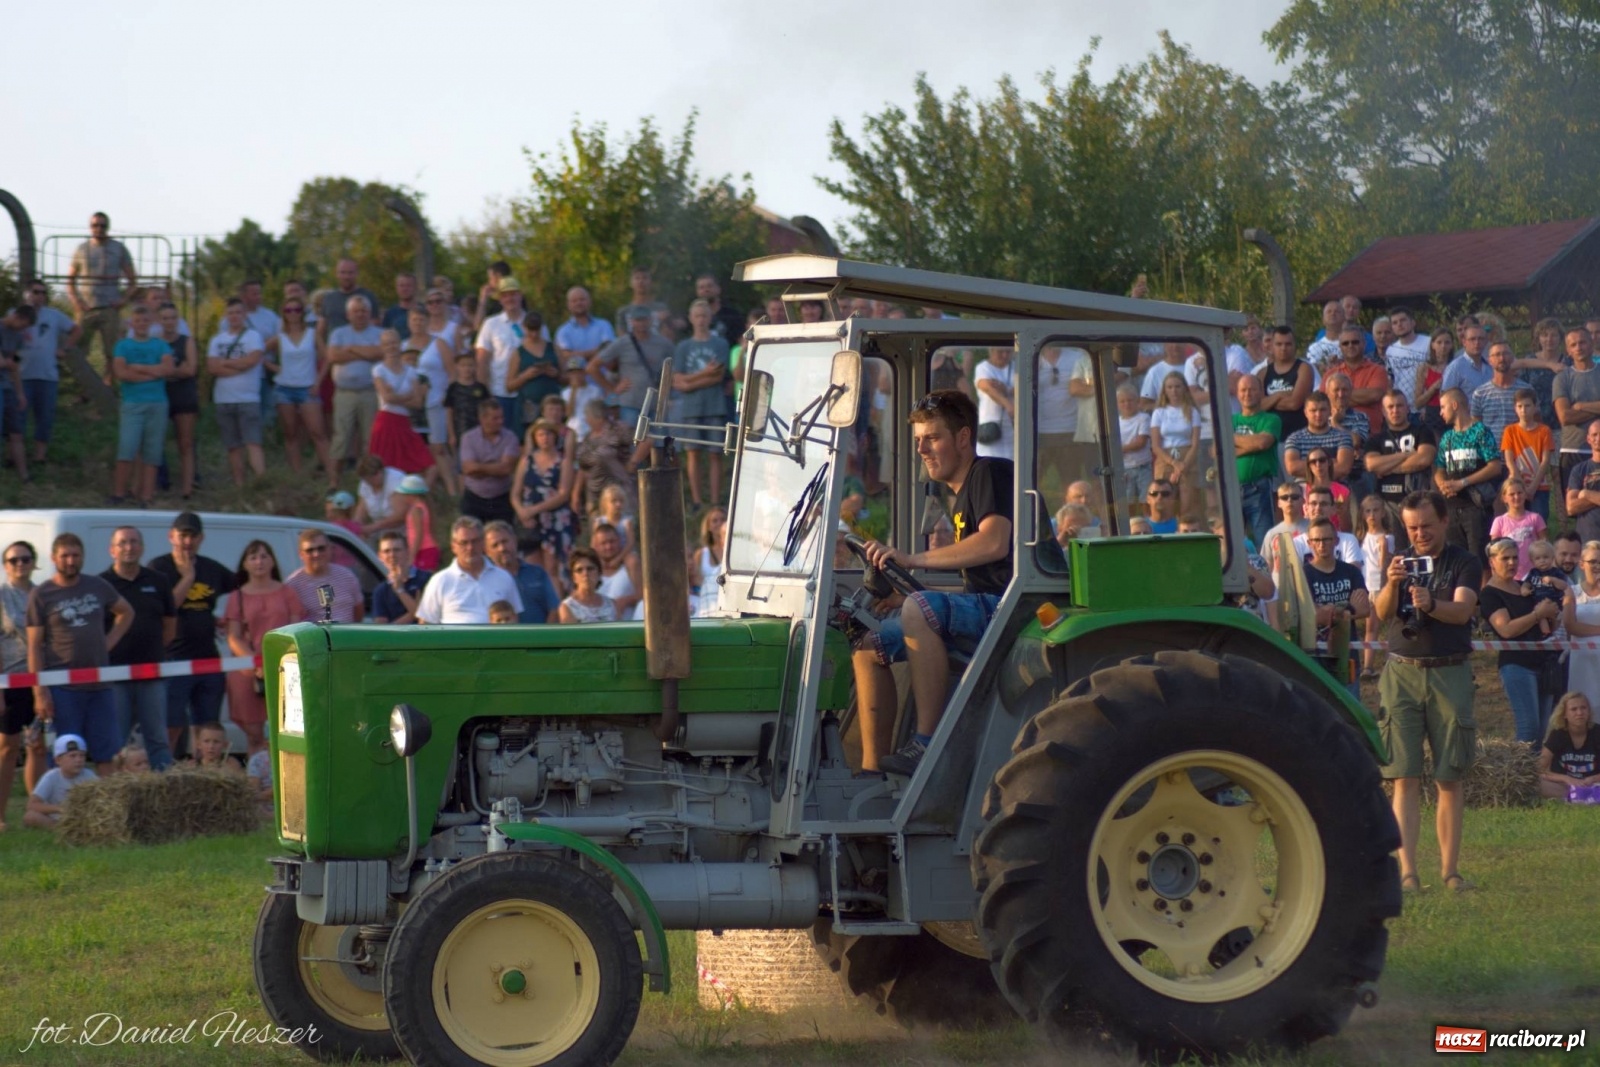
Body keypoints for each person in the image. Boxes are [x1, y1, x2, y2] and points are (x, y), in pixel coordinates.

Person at [852, 390, 1013, 776]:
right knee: (869, 644)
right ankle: (873, 769)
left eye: (933, 438)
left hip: (1013, 609)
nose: (923, 449)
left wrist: (910, 559)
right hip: (986, 604)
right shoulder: (957, 496)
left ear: (962, 438)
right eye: (918, 440)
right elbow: (977, 585)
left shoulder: (989, 473)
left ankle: (925, 745)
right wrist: (904, 593)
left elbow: (994, 543)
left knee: (919, 609)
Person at [1373, 490, 1481, 894]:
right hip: (1401, 672)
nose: (1419, 534)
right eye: (1412, 527)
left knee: (1450, 775)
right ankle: (1407, 873)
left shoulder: (1465, 561)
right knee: (1404, 777)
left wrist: (1429, 603)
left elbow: (1463, 610)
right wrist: (1390, 583)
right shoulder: (1398, 561)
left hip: (1449, 673)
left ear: (1445, 521)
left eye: (1426, 527)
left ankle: (1450, 872)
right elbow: (1383, 613)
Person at [27, 534, 135, 774]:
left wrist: (109, 641)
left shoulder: (97, 586)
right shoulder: (42, 594)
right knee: (66, 755)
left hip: (100, 685)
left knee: (108, 754)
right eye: (65, 556)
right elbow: (34, 645)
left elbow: (126, 612)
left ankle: (109, 809)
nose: (70, 561)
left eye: (75, 555)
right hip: (63, 686)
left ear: (82, 557)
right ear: (54, 558)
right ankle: (62, 809)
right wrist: (39, 691)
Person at [148, 513, 234, 758]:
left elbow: (244, 588)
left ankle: (201, 775)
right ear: (171, 536)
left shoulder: (211, 568)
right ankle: (166, 773)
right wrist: (188, 577)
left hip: (208, 658)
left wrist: (229, 619)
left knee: (207, 729)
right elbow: (167, 608)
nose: (187, 541)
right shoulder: (160, 567)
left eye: (193, 536)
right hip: (175, 658)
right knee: (172, 725)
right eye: (182, 535)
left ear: (201, 538)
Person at [100, 527, 175, 771]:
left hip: (152, 673)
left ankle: (164, 792)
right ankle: (116, 794)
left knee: (157, 739)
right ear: (112, 550)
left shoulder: (158, 581)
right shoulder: (101, 584)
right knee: (116, 740)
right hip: (115, 675)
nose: (128, 547)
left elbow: (170, 627)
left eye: (133, 542)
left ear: (142, 548)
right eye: (122, 543)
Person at [1480, 537, 1560, 748]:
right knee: (1529, 728)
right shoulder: (1490, 594)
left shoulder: (1524, 586)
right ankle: (1518, 776)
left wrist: (1550, 614)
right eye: (1505, 558)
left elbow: (1548, 624)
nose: (1511, 563)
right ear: (1492, 562)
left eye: (1515, 557)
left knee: (1543, 729)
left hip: (1544, 662)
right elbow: (1505, 629)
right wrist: (1537, 614)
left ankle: (1534, 777)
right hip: (1517, 665)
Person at [223, 541, 301, 755]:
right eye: (253, 557)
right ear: (245, 564)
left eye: (264, 556)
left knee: (285, 731)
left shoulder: (288, 593)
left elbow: (296, 630)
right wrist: (257, 664)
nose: (259, 561)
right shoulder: (236, 597)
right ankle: (257, 781)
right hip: (249, 673)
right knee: (254, 735)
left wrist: (276, 661)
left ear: (273, 561)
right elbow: (233, 637)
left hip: (284, 668)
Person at [0, 541, 47, 825]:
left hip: (41, 678)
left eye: (25, 559)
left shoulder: (42, 595)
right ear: (6, 566)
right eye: (13, 560)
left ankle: (35, 812)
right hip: (10, 679)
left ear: (33, 562)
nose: (20, 564)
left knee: (38, 746)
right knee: (8, 747)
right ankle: (1, 816)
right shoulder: (1, 596)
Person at [110, 304, 173, 506]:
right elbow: (121, 373)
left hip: (157, 403)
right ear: (132, 323)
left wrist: (139, 368)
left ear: (151, 323)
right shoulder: (123, 346)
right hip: (132, 403)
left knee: (152, 451)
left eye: (145, 321)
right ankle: (119, 493)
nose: (141, 324)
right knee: (127, 448)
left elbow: (168, 369)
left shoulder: (160, 345)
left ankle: (146, 496)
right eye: (137, 321)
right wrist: (152, 373)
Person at [270, 293, 334, 486]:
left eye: (297, 310)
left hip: (308, 388)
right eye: (288, 310)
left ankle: (333, 477)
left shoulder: (312, 334)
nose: (293, 313)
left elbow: (328, 359)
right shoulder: (280, 337)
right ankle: (297, 477)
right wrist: (275, 368)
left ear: (303, 312)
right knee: (291, 434)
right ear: (283, 313)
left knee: (318, 433)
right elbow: (258, 353)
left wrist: (318, 382)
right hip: (284, 389)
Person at [673, 300, 732, 508]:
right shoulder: (683, 347)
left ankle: (716, 501)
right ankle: (697, 501)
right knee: (693, 452)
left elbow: (718, 376)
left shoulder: (720, 344)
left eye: (704, 315)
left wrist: (691, 381)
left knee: (715, 453)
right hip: (691, 408)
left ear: (710, 318)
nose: (700, 320)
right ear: (690, 318)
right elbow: (677, 380)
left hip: (715, 404)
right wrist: (704, 373)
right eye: (697, 315)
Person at [67, 212, 138, 384]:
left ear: (108, 227)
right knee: (79, 350)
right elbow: (70, 280)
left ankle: (108, 389)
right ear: (90, 227)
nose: (98, 229)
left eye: (102, 225)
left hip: (110, 308)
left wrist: (122, 300)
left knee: (112, 352)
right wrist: (76, 301)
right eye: (95, 225)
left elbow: (132, 281)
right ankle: (83, 390)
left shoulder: (118, 248)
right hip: (86, 308)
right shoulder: (81, 249)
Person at [1302, 517, 1368, 698]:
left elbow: (1364, 610)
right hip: (1315, 657)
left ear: (1336, 541)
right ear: (1309, 543)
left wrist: (1328, 610)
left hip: (1347, 656)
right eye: (1316, 540)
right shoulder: (1303, 575)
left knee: (1350, 713)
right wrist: (1348, 608)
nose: (1321, 544)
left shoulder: (1351, 572)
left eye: (1327, 539)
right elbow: (1313, 616)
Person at [1434, 388, 1503, 560]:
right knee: (1455, 558)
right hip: (1452, 506)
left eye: (1443, 407)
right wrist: (1443, 484)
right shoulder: (1447, 437)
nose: (1441, 412)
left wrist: (1463, 482)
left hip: (1476, 505)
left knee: (1479, 559)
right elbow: (1439, 468)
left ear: (1455, 405)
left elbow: (1495, 466)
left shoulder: (1480, 431)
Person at [415, 517, 522, 624]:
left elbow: (514, 619)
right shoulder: (440, 581)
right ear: (453, 546)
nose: (470, 547)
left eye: (474, 541)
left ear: (483, 543)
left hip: (495, 640)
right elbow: (426, 624)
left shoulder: (503, 577)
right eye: (464, 543)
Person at [207, 297, 267, 486]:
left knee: (253, 443)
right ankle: (240, 485)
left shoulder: (253, 337)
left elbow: (251, 362)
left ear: (244, 315)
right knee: (233, 446)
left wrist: (224, 362)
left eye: (238, 313)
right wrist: (237, 366)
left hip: (248, 398)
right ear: (226, 315)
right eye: (231, 313)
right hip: (223, 398)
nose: (234, 316)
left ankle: (260, 483)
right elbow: (212, 368)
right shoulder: (217, 340)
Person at [18, 281, 78, 465]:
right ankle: (15, 455)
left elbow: (76, 329)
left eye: (43, 293)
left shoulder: (53, 315)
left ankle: (40, 456)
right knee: (16, 417)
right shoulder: (16, 313)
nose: (40, 296)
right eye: (36, 292)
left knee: (45, 416)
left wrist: (65, 349)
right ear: (26, 294)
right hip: (20, 375)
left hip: (47, 375)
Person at [513, 418, 577, 580]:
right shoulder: (526, 461)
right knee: (532, 567)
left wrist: (534, 510)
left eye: (548, 433)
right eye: (540, 434)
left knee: (552, 569)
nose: (544, 438)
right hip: (530, 520)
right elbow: (515, 492)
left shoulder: (564, 461)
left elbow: (563, 494)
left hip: (555, 519)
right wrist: (522, 512)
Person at [327, 294, 384, 471]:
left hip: (370, 392)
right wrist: (365, 352)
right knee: (341, 438)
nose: (360, 314)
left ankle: (369, 477)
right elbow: (333, 356)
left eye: (364, 311)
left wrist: (350, 348)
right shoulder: (338, 333)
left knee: (371, 438)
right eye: (356, 311)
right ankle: (334, 482)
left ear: (369, 313)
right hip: (345, 393)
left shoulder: (380, 333)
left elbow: (379, 353)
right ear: (348, 314)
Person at [150, 302, 200, 498]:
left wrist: (168, 371)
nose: (169, 322)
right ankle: (156, 485)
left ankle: (187, 488)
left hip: (184, 396)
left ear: (177, 320)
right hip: (160, 395)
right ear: (159, 321)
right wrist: (176, 370)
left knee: (185, 443)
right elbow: (154, 370)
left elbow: (192, 369)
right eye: (165, 318)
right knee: (155, 442)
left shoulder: (186, 341)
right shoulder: (155, 343)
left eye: (173, 318)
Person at [591, 306, 672, 427]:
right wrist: (612, 388)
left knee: (660, 443)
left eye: (644, 319)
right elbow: (592, 367)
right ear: (631, 322)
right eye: (638, 320)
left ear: (650, 320)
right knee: (631, 441)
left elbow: (675, 369)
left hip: (657, 404)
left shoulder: (663, 343)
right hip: (630, 403)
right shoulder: (622, 343)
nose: (641, 323)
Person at [407, 306, 458, 496]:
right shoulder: (404, 346)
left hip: (436, 401)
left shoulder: (439, 344)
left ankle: (452, 490)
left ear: (428, 322)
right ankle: (422, 488)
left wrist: (448, 397)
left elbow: (452, 372)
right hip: (412, 405)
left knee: (439, 447)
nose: (417, 324)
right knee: (417, 447)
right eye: (414, 320)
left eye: (421, 320)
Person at [369, 329, 433, 477]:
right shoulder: (379, 369)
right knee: (384, 468)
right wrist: (407, 395)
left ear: (400, 344)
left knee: (426, 465)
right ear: (382, 346)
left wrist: (396, 396)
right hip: (386, 421)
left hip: (404, 422)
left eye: (394, 343)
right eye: (387, 344)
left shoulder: (410, 370)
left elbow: (417, 402)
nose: (391, 347)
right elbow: (387, 398)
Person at [474, 277, 531, 439]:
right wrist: (484, 395)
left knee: (525, 439)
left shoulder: (533, 322)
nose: (510, 299)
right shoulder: (490, 324)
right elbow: (482, 360)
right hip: (498, 393)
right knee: (498, 439)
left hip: (526, 393)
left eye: (513, 294)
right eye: (505, 295)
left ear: (520, 295)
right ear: (500, 299)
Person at [1364, 390, 1437, 510]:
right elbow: (1371, 464)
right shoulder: (1376, 439)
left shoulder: (1423, 431)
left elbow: (1424, 459)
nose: (1395, 410)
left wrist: (1387, 468)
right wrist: (1405, 455)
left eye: (1399, 406)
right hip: (1387, 503)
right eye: (1390, 407)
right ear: (1383, 411)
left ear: (1407, 408)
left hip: (1418, 501)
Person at [459, 399, 521, 527]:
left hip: (502, 499)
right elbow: (468, 469)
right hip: (474, 498)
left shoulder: (510, 438)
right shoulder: (468, 438)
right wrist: (495, 466)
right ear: (482, 418)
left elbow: (506, 468)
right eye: (495, 418)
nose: (501, 421)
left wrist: (479, 467)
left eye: (501, 417)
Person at [1149, 371, 1203, 518]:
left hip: (1188, 457)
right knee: (1165, 501)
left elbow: (1195, 443)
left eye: (1178, 386)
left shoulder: (1192, 412)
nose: (1174, 391)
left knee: (1187, 503)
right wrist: (1174, 464)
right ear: (1165, 390)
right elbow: (1155, 445)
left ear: (1184, 388)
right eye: (1170, 387)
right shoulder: (1159, 413)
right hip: (1165, 458)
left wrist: (1182, 466)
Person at [1554, 326, 1600, 496]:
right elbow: (1565, 417)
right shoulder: (1562, 378)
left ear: (1591, 343)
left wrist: (1581, 406)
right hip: (1573, 450)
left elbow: (1573, 412)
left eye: (1582, 342)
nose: (1578, 347)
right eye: (1573, 344)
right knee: (1575, 505)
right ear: (1568, 350)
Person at [485, 520, 559, 624]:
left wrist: (543, 637)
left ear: (515, 541)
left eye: (505, 541)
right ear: (487, 552)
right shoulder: (485, 580)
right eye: (495, 545)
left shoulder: (537, 573)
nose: (502, 548)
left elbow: (554, 609)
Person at [284, 529, 364, 623]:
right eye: (310, 550)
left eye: (321, 548)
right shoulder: (293, 585)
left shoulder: (347, 576)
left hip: (347, 635)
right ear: (301, 554)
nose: (316, 554)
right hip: (316, 637)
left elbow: (358, 611)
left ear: (330, 549)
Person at [1357, 496, 1396, 680]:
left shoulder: (1388, 537)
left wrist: (1384, 547)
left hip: (1381, 586)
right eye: (1368, 511)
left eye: (1375, 510)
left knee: (1389, 626)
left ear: (1382, 512)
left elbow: (1385, 564)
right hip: (1367, 586)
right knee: (1370, 627)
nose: (1372, 515)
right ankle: (1367, 666)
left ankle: (1390, 663)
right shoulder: (1361, 538)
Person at [22, 734, 98, 829]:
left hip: (83, 817)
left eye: (82, 755)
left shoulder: (88, 775)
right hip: (57, 818)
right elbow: (32, 805)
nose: (78, 760)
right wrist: (59, 808)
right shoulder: (51, 777)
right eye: (72, 756)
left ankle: (77, 829)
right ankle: (60, 828)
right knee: (30, 816)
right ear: (58, 760)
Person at [1501, 388, 1555, 521]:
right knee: (1516, 521)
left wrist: (1532, 487)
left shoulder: (1544, 431)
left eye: (1527, 406)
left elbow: (1545, 460)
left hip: (1539, 485)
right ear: (1515, 408)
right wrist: (1522, 486)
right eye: (1520, 406)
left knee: (1538, 522)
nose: (1523, 410)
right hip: (1517, 487)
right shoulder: (1510, 431)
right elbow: (1509, 460)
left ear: (1535, 407)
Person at [1561, 542, 1600, 711]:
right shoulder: (1572, 592)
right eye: (1593, 561)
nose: (1597, 566)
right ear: (1582, 564)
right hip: (1582, 664)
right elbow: (1570, 626)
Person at [1283, 391, 1355, 484]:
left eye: (1322, 410)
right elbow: (1292, 468)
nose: (1318, 414)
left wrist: (1306, 464)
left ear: (1330, 411)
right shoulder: (1295, 439)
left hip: (1336, 490)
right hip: (1303, 491)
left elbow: (1343, 468)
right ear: (1305, 413)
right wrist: (1331, 463)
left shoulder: (1343, 437)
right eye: (1313, 410)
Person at [1538, 692, 1599, 799]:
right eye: (1573, 709)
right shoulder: (1557, 735)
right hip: (1564, 786)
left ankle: (1581, 797)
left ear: (1589, 711)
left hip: (1594, 784)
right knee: (1536, 783)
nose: (1579, 713)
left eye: (1583, 708)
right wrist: (1566, 778)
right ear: (1564, 714)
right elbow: (1539, 769)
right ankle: (1578, 798)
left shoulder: (1597, 732)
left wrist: (1593, 779)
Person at [1257, 326, 1314, 440]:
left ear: (1294, 346)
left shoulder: (1304, 369)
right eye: (1279, 344)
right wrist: (1280, 395)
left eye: (1288, 344)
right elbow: (1259, 406)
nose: (1283, 348)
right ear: (1272, 346)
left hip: (1298, 437)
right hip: (1269, 437)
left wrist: (1269, 401)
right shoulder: (1262, 373)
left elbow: (1294, 404)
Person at [558, 286, 618, 390]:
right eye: (574, 301)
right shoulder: (563, 331)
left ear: (589, 301)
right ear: (568, 305)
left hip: (605, 387)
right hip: (578, 391)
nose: (578, 303)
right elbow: (566, 356)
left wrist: (577, 355)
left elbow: (609, 351)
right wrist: (597, 352)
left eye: (582, 299)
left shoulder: (604, 325)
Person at [513, 309, 563, 432]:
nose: (534, 334)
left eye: (537, 330)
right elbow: (509, 385)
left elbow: (567, 377)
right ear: (524, 328)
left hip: (552, 404)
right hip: (529, 405)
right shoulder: (518, 352)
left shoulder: (553, 348)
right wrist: (525, 376)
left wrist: (556, 374)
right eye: (530, 330)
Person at [1488, 477, 1546, 579]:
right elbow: (1494, 552)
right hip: (1510, 575)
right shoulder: (1499, 521)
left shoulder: (1535, 518)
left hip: (1533, 574)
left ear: (1525, 494)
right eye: (1512, 494)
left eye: (1520, 493)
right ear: (1504, 498)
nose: (1516, 497)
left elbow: (1544, 546)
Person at [372, 530, 431, 625]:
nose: (392, 555)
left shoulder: (426, 579)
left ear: (407, 552)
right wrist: (413, 612)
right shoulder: (380, 591)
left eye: (397, 550)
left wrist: (400, 590)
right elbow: (382, 630)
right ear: (380, 556)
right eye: (387, 551)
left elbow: (426, 617)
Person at [315, 258, 381, 343]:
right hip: (334, 350)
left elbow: (375, 328)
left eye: (350, 273)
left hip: (362, 350)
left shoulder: (368, 297)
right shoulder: (329, 298)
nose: (346, 277)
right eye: (343, 272)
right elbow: (321, 330)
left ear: (357, 274)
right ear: (337, 274)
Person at [1383, 306, 1431, 411]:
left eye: (1403, 320)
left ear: (1413, 322)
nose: (1399, 325)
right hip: (1401, 408)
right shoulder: (1391, 350)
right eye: (1394, 323)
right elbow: (1390, 379)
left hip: (1425, 405)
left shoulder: (1428, 343)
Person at [973, 348, 1016, 461]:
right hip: (990, 427)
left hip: (1011, 429)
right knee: (988, 461)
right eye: (1000, 352)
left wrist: (1005, 389)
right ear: (991, 351)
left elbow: (1025, 388)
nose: (1004, 355)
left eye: (1008, 352)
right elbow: (986, 387)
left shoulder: (1016, 367)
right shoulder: (983, 367)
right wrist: (1007, 404)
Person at [1115, 382, 1153, 508]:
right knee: (1128, 503)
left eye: (1130, 400)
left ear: (1137, 401)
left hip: (1143, 467)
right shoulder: (1116, 422)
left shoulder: (1143, 418)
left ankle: (1148, 524)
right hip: (1125, 468)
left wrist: (1121, 449)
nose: (1127, 404)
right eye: (1122, 401)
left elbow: (1140, 442)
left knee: (1146, 501)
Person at [591, 523, 641, 619]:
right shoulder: (590, 569)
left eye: (612, 541)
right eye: (603, 543)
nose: (608, 547)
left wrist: (625, 601)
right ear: (596, 546)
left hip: (627, 624)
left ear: (619, 541)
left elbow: (645, 595)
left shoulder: (630, 564)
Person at [393, 474, 440, 571]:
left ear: (412, 495)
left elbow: (419, 534)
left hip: (424, 549)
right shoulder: (423, 507)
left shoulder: (416, 510)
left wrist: (412, 555)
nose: (403, 497)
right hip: (426, 549)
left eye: (405, 494)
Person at [558, 547, 616, 623]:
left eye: (590, 569)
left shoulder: (612, 605)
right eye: (579, 570)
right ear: (573, 577)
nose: (585, 573)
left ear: (599, 573)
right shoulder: (567, 607)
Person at [690, 506, 727, 617]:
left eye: (723, 519)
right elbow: (694, 578)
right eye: (715, 520)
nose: (719, 523)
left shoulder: (733, 553)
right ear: (709, 526)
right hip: (708, 601)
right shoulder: (702, 554)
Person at [1442, 322, 1494, 398]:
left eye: (1480, 339)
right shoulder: (1455, 368)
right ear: (1464, 342)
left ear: (1486, 341)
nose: (1477, 343)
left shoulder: (1491, 366)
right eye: (1472, 339)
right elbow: (1446, 397)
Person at [614, 266, 668, 337]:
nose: (641, 281)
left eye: (645, 278)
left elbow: (666, 336)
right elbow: (621, 338)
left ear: (650, 282)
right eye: (637, 278)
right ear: (631, 283)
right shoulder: (623, 312)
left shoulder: (661, 308)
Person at [381, 272, 419, 338]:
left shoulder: (425, 311)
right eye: (401, 286)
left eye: (408, 285)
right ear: (396, 288)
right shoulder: (390, 314)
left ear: (415, 287)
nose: (405, 289)